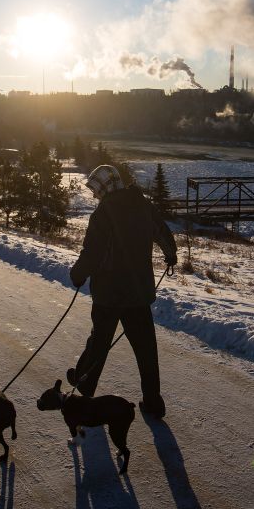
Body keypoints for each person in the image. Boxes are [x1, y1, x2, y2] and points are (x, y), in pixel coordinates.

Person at [69, 164, 177, 418]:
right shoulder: (143, 206)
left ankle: (84, 386)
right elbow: (162, 233)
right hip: (138, 293)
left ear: (105, 187)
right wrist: (170, 255)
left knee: (100, 342)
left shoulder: (104, 213)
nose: (96, 195)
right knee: (146, 350)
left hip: (109, 294)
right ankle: (153, 402)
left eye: (97, 190)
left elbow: (93, 252)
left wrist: (77, 274)